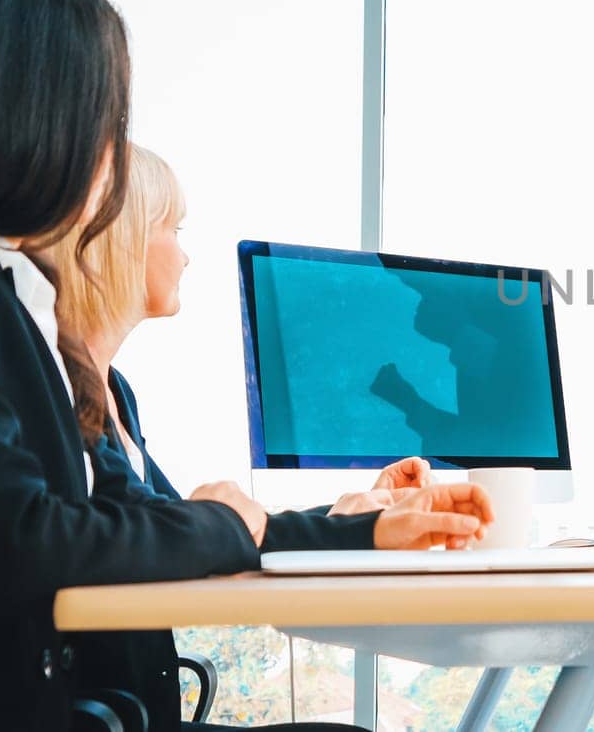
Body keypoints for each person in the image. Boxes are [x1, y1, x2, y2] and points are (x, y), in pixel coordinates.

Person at [0, 0, 492, 730]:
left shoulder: (12, 290)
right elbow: (20, 541)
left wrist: (360, 529)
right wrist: (225, 522)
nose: (108, 155)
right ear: (28, 115)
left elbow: (122, 511)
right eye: (102, 120)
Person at [45, 143, 437, 730]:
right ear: (118, 239)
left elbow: (189, 533)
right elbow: (181, 535)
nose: (185, 255)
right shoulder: (53, 389)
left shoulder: (116, 393)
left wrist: (351, 517)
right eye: (172, 229)